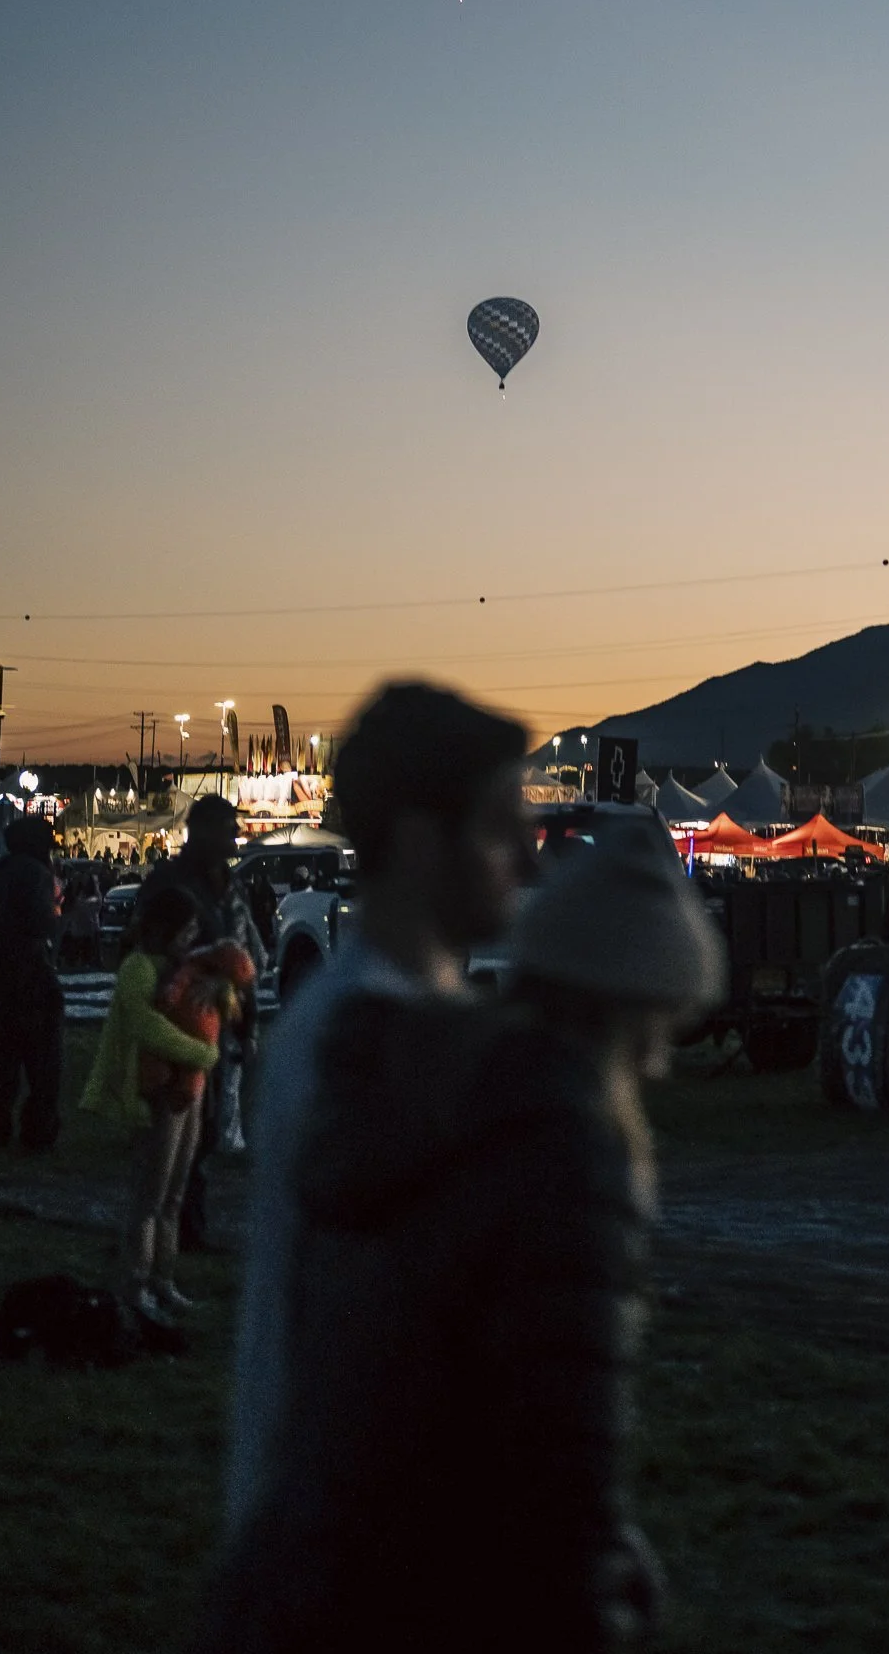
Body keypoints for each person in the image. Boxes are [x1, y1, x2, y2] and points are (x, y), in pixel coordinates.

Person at [197, 680, 721, 1654]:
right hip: (350, 1540)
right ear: (419, 844)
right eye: (496, 827)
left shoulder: (413, 1029)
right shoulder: (352, 1041)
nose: (525, 855)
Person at [82, 882, 224, 1318]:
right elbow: (145, 1026)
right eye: (185, 931)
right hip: (155, 1093)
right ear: (164, 929)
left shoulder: (185, 969)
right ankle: (136, 1283)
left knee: (174, 1193)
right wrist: (199, 1052)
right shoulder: (139, 968)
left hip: (187, 1090)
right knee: (151, 1195)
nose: (191, 938)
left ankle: (163, 1279)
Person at [136, 794, 242, 1246]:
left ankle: (181, 1230)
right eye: (228, 829)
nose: (236, 838)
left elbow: (235, 947)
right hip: (174, 1023)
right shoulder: (172, 884)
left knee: (203, 1132)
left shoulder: (218, 884)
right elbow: (147, 945)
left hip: (206, 1020)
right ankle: (167, 1238)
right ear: (203, 833)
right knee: (174, 1139)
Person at [0, 815, 65, 1153]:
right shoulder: (37, 874)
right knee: (44, 1063)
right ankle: (39, 1130)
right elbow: (43, 923)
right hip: (31, 974)